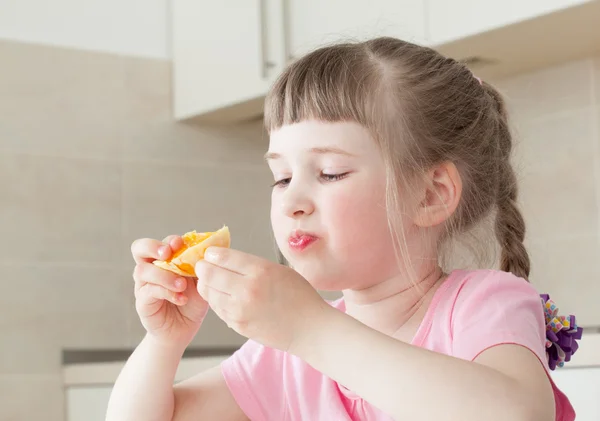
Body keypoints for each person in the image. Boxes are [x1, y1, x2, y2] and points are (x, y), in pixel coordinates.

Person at [106, 37, 582, 421]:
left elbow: (514, 414)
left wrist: (308, 328)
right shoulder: (285, 355)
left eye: (330, 172)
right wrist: (165, 341)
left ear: (430, 195)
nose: (291, 201)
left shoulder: (482, 305)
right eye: (282, 177)